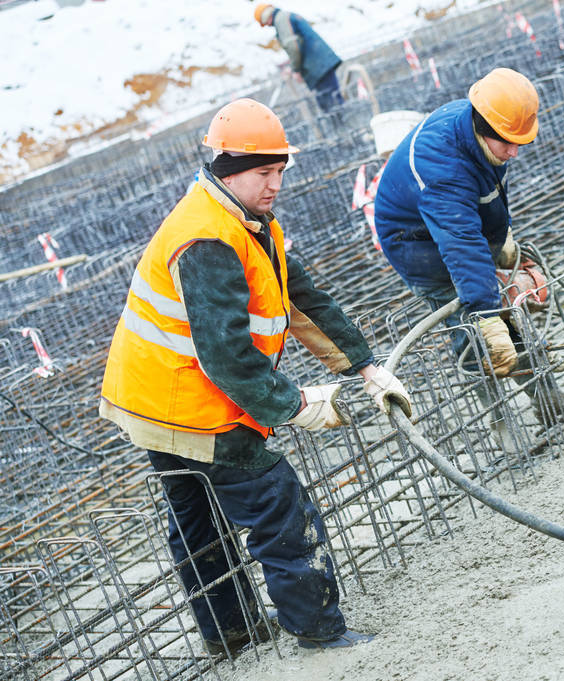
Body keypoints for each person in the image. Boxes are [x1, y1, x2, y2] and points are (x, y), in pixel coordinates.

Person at [99, 98, 411, 654]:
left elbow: (304, 301)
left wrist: (366, 367)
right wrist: (294, 405)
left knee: (197, 518)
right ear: (228, 170)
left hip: (151, 396)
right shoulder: (207, 239)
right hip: (185, 402)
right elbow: (227, 359)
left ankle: (231, 633)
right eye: (264, 173)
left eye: (280, 172)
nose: (275, 185)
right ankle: (319, 630)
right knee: (277, 503)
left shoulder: (249, 220)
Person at [372, 67, 564, 425]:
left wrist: (501, 237)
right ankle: (501, 422)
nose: (514, 152)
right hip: (417, 246)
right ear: (482, 128)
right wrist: (485, 314)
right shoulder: (442, 166)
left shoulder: (486, 124)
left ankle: (548, 399)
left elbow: (482, 195)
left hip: (454, 229)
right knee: (473, 330)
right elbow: (460, 244)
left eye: (519, 142)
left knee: (505, 317)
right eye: (507, 143)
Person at [254, 4, 344, 112]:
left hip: (317, 66)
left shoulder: (281, 19)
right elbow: (299, 43)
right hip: (320, 63)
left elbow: (293, 47)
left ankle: (343, 126)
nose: (267, 25)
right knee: (333, 100)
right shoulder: (286, 16)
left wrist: (295, 70)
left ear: (266, 17)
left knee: (331, 105)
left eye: (264, 23)